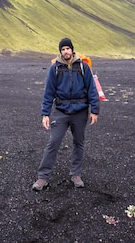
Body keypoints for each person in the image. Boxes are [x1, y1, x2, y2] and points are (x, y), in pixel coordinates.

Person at [32, 38, 100, 191]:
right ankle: (43, 177)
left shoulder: (83, 67)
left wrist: (94, 110)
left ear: (72, 50)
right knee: (53, 142)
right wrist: (45, 114)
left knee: (79, 142)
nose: (65, 52)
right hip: (61, 111)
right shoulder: (55, 68)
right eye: (63, 49)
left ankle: (76, 174)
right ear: (60, 52)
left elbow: (92, 89)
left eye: (68, 48)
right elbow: (49, 92)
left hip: (80, 111)